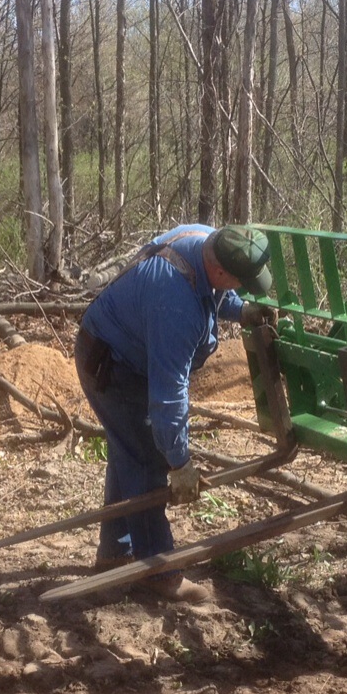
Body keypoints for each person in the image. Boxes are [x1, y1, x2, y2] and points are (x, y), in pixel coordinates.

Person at [74, 223, 275, 603]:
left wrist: (243, 309)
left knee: (128, 451)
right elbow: (168, 399)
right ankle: (158, 572)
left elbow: (214, 295)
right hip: (110, 366)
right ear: (220, 271)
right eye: (241, 284)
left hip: (112, 347)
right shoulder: (176, 307)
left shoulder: (203, 239)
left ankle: (115, 552)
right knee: (147, 457)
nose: (241, 289)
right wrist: (180, 463)